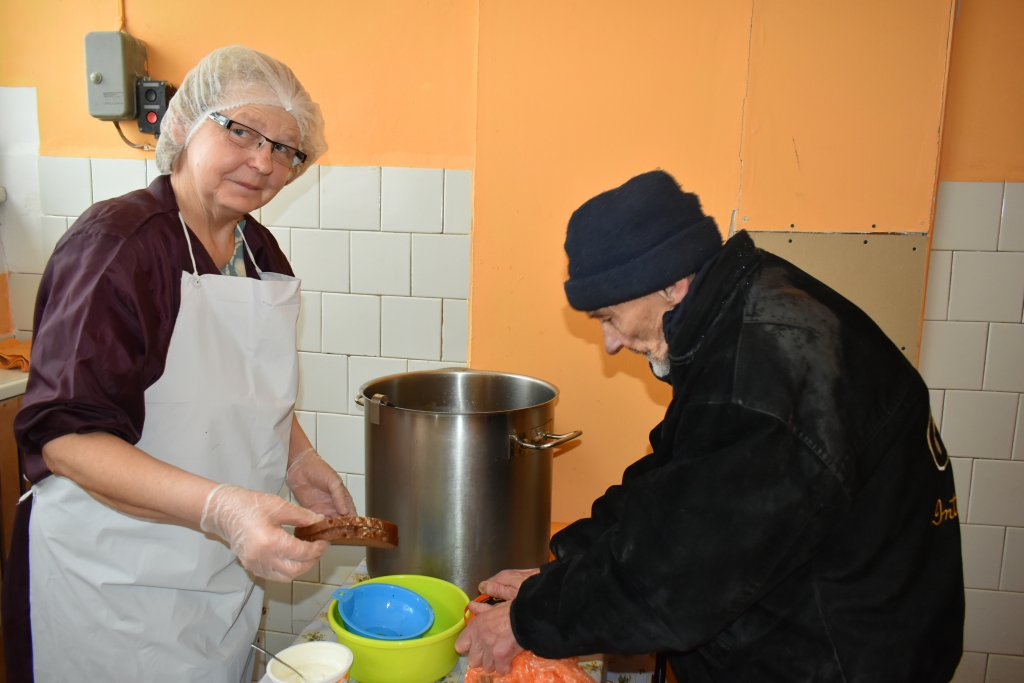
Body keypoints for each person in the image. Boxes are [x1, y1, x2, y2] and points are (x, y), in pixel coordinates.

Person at [456, 170, 965, 682]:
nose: (610, 343)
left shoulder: (760, 383)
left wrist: (526, 621)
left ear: (671, 284)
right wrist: (561, 569)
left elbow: (672, 583)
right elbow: (674, 483)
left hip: (844, 659)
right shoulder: (743, 311)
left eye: (609, 317)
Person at [1, 46, 354, 682]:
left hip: (216, 577)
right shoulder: (118, 246)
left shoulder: (258, 250)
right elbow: (67, 441)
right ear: (187, 123)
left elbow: (245, 382)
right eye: (242, 131)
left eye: (286, 149)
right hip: (112, 584)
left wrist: (298, 457)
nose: (264, 162)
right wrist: (223, 510)